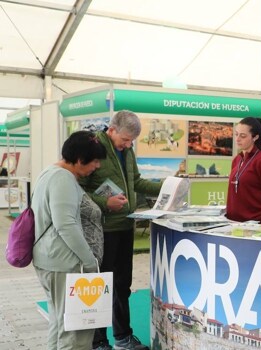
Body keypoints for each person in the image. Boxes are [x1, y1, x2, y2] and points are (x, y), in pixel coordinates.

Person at [79, 110, 162, 350]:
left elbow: (136, 182)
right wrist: (106, 204)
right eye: (124, 140)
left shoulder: (127, 151)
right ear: (111, 129)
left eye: (131, 142)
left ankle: (123, 336)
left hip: (126, 225)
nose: (127, 145)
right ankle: (98, 340)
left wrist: (166, 186)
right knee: (101, 286)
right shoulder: (92, 148)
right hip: (101, 230)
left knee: (122, 285)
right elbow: (77, 191)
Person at [32, 130, 107, 349]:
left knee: (59, 324)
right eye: (94, 161)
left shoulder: (49, 172)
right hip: (64, 264)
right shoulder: (62, 178)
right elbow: (65, 225)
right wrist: (90, 261)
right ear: (80, 159)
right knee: (75, 334)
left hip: (52, 262)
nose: (97, 166)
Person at [226, 117, 261, 225]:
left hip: (257, 225)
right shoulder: (237, 160)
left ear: (255, 137)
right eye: (236, 134)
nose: (237, 139)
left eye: (243, 136)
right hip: (234, 224)